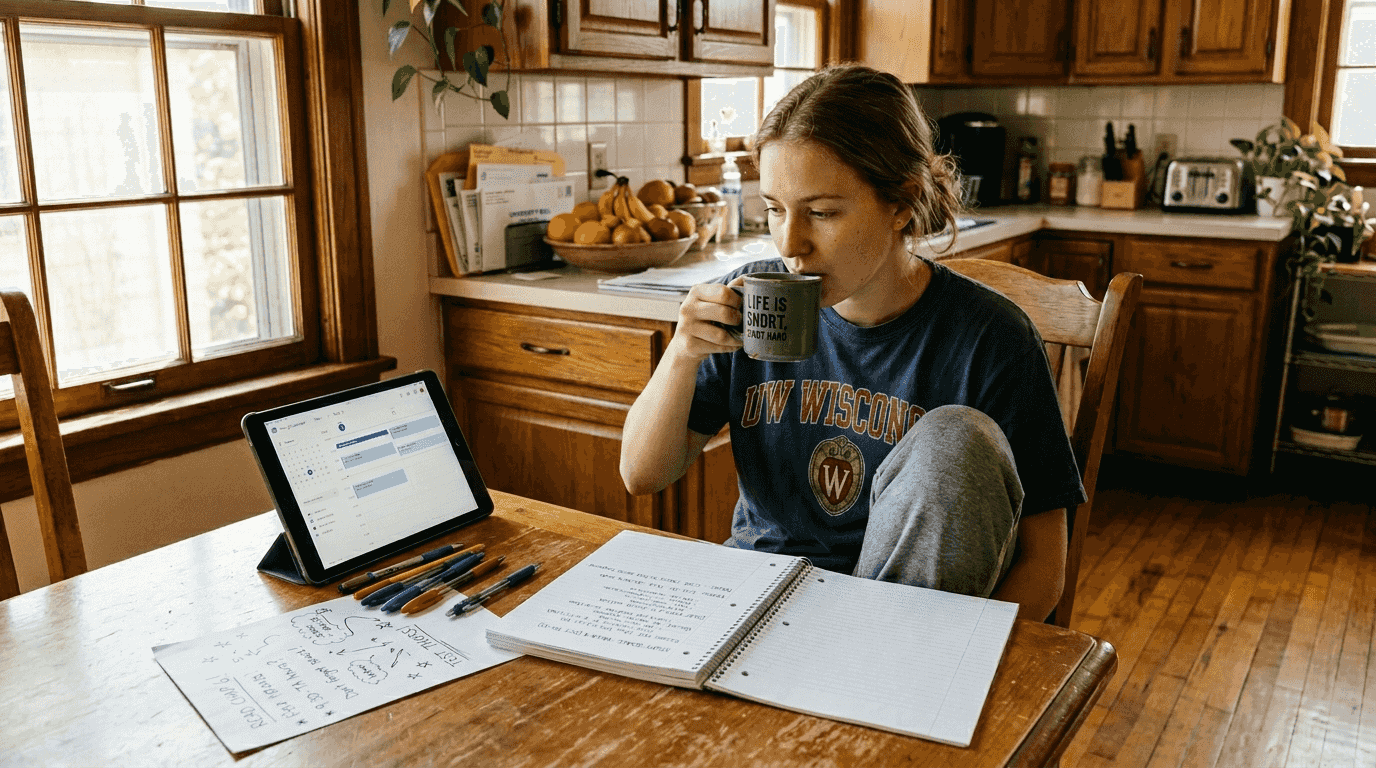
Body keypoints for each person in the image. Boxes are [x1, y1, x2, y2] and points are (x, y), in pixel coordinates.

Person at [619, 64, 1084, 622]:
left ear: (902, 202)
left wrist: (957, 653)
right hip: (756, 605)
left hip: (906, 632)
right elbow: (641, 476)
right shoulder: (746, 306)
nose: (791, 243)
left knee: (956, 442)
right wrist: (683, 353)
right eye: (773, 209)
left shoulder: (992, 339)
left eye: (822, 213)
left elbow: (1044, 567)